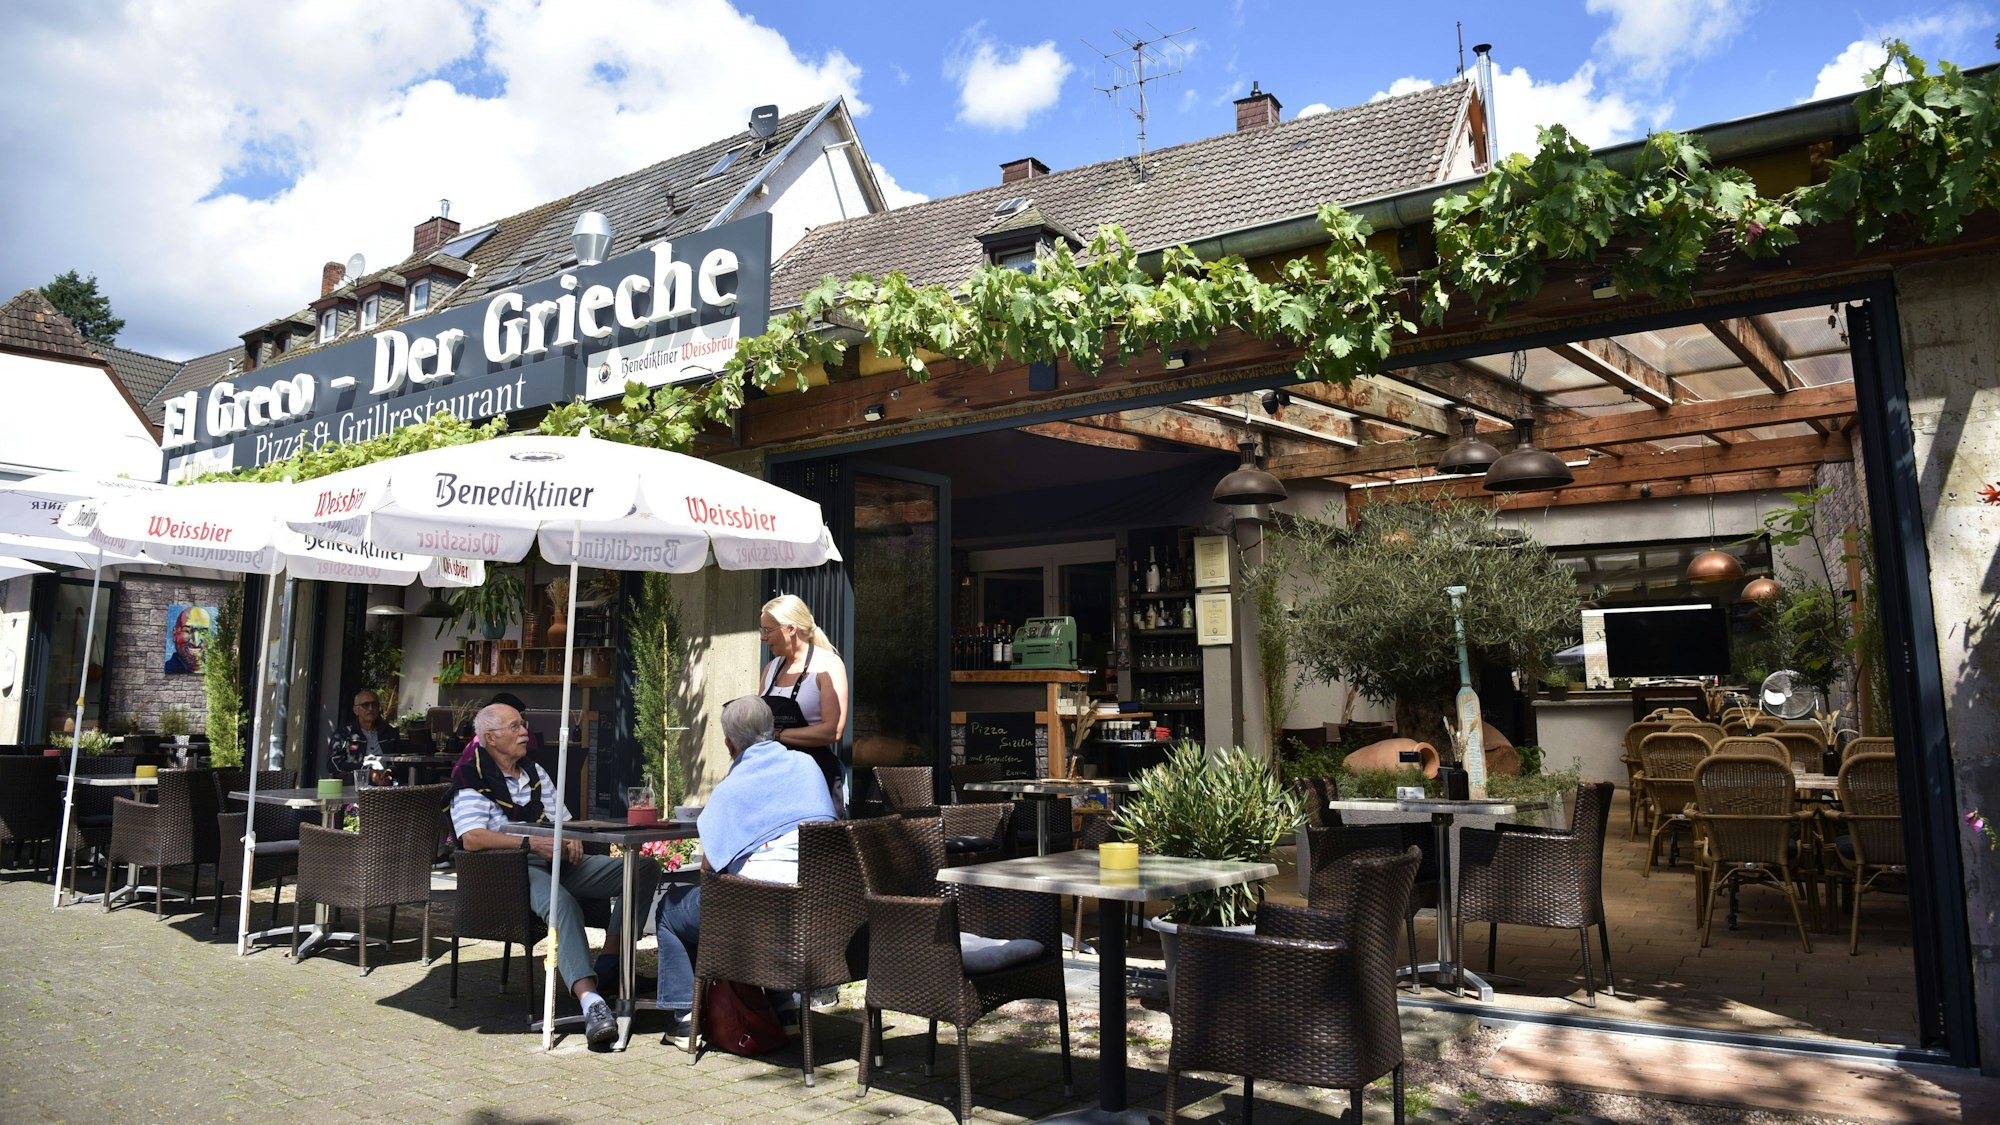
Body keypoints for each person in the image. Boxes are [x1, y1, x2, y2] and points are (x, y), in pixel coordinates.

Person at [451, 702, 658, 1047]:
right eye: (515, 727)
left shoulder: (534, 771)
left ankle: (610, 962)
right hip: (510, 871)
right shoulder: (470, 778)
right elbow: (471, 837)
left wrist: (572, 834)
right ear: (491, 737)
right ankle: (591, 1002)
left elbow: (563, 816)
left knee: (641, 868)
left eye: (523, 725)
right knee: (562, 904)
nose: (524, 732)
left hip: (557, 862)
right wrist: (532, 843)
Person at [653, 695, 838, 1047]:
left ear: (729, 744)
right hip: (816, 915)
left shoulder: (732, 789)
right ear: (773, 730)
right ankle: (784, 1009)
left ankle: (685, 1019)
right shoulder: (808, 767)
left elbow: (709, 872)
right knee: (764, 884)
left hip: (758, 921)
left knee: (671, 909)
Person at [757, 594, 850, 809]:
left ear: (791, 629)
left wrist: (779, 735)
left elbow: (833, 731)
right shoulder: (770, 669)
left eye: (768, 630)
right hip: (775, 775)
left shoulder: (828, 665)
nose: (763, 637)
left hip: (816, 778)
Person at [330, 690, 405, 779]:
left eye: (374, 704)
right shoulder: (345, 733)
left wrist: (390, 772)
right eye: (365, 705)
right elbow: (333, 764)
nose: (370, 708)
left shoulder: (389, 732)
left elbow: (399, 761)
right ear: (356, 710)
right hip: (355, 786)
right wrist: (367, 772)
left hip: (387, 786)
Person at [163, 606, 210, 674]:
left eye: (203, 632)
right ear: (174, 634)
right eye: (187, 631)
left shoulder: (219, 672)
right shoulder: (167, 671)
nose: (196, 643)